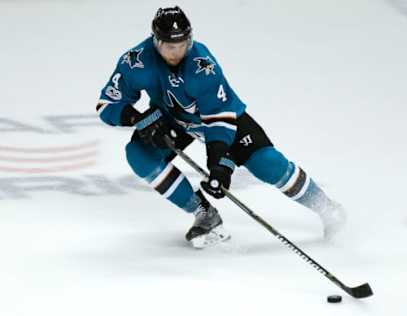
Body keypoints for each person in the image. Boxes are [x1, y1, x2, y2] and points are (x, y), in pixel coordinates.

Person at [96, 6, 346, 248]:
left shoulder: (202, 64)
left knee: (267, 163)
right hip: (173, 120)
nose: (176, 52)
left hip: (220, 119)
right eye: (170, 46)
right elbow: (107, 104)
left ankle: (326, 207)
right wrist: (139, 119)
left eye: (182, 45)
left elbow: (218, 117)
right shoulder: (136, 61)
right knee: (139, 155)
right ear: (155, 41)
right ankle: (204, 213)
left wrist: (218, 163)